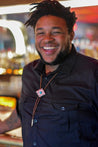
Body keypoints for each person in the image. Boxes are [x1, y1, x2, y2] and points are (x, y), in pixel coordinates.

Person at [19, 0, 98, 147]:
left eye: (56, 32)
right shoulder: (29, 72)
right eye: (40, 33)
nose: (47, 39)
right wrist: (3, 126)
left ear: (71, 35)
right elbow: (23, 110)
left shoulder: (93, 73)